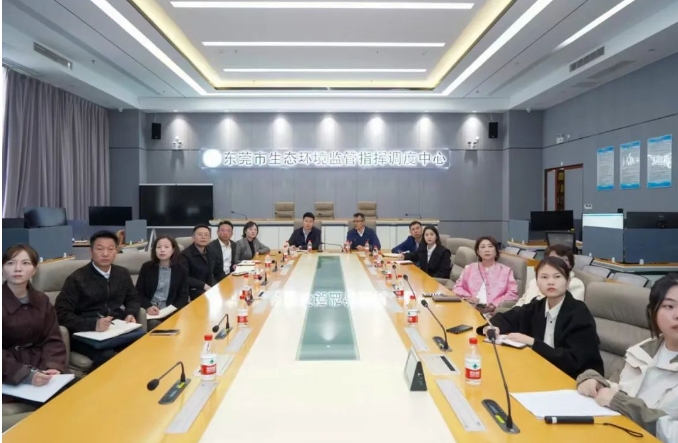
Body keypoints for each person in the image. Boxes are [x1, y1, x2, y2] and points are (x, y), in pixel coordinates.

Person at [576, 274, 678, 443]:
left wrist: (626, 405)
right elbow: (618, 389)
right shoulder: (642, 350)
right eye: (669, 306)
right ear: (653, 312)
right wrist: (594, 381)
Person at [479, 257, 604, 379]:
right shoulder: (537, 306)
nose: (550, 282)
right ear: (537, 283)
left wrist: (533, 342)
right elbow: (508, 317)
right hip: (540, 371)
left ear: (568, 282)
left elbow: (573, 360)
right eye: (544, 277)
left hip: (574, 378)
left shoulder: (579, 313)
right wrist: (492, 327)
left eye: (557, 277)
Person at [55, 231, 141, 370]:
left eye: (110, 249)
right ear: (91, 251)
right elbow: (61, 314)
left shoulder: (122, 273)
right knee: (109, 358)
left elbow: (133, 298)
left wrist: (131, 312)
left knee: (143, 346)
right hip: (85, 334)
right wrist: (93, 324)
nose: (105, 254)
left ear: (116, 251)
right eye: (100, 249)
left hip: (115, 330)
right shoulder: (76, 279)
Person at [3, 244, 70, 420]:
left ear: (34, 270)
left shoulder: (41, 300)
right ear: (2, 268)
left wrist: (52, 366)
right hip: (8, 375)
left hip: (41, 368)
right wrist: (26, 375)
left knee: (80, 393)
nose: (18, 268)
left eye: (25, 263)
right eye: (11, 263)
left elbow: (52, 338)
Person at [453, 236, 518, 314]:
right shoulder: (469, 268)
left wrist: (494, 304)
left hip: (492, 312)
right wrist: (468, 298)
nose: (487, 250)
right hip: (468, 309)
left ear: (496, 251)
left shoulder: (506, 271)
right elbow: (457, 287)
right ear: (478, 252)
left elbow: (512, 293)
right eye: (483, 247)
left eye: (490, 246)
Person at [136, 236, 189, 330]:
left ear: (173, 250)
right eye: (159, 247)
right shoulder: (147, 267)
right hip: (151, 313)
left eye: (166, 247)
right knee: (156, 325)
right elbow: (138, 292)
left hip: (171, 311)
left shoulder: (181, 270)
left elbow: (183, 296)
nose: (162, 250)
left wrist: (171, 310)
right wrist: (148, 307)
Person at [515, 244, 585, 306]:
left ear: (570, 264)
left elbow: (571, 310)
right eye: (553, 259)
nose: (557, 263)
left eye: (563, 260)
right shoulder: (534, 281)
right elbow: (523, 301)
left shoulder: (576, 284)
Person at [180, 224, 215, 301]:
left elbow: (216, 271)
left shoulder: (211, 251)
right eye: (200, 234)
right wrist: (203, 285)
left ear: (210, 238)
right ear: (193, 238)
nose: (203, 237)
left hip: (209, 289)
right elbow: (183, 277)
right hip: (192, 291)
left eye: (206, 235)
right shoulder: (185, 255)